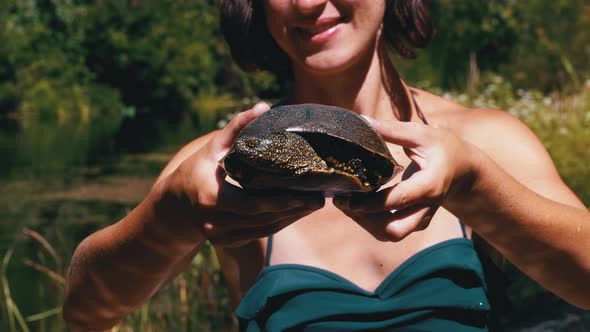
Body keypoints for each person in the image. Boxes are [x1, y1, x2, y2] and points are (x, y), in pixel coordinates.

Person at [63, 0, 590, 331]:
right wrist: (166, 219)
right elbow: (86, 312)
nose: (309, 3)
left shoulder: (479, 141)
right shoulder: (219, 166)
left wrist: (477, 188)